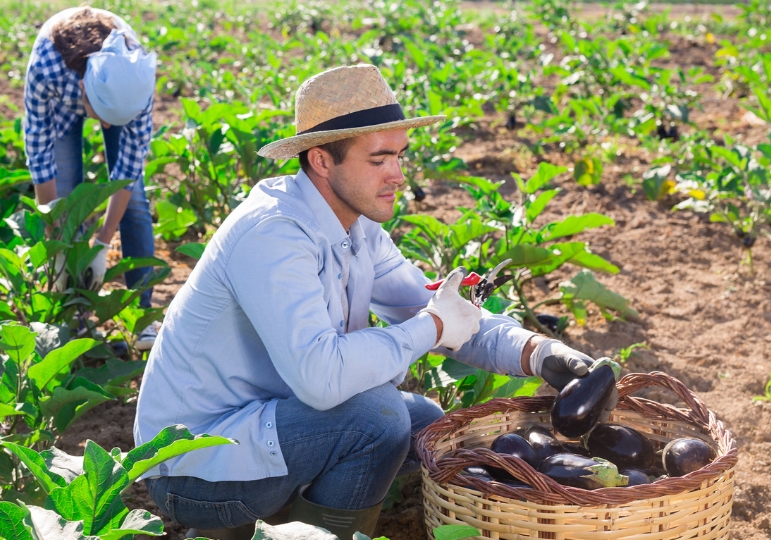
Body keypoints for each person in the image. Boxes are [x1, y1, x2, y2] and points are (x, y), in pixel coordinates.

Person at [133, 65, 614, 539]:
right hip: (192, 467)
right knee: (376, 416)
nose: (398, 176)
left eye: (401, 156)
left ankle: (272, 527)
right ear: (322, 161)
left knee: (422, 421)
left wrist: (538, 352)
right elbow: (322, 380)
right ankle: (239, 526)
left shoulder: (359, 230)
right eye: (379, 159)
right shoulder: (273, 234)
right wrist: (432, 327)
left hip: (263, 427)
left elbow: (442, 313)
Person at [23, 7, 160, 349]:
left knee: (136, 204)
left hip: (116, 98)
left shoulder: (136, 82)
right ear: (84, 88)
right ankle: (75, 317)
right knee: (67, 202)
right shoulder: (46, 71)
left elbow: (126, 174)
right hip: (62, 91)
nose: (107, 128)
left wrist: (101, 244)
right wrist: (56, 239)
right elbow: (40, 156)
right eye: (103, 118)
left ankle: (141, 316)